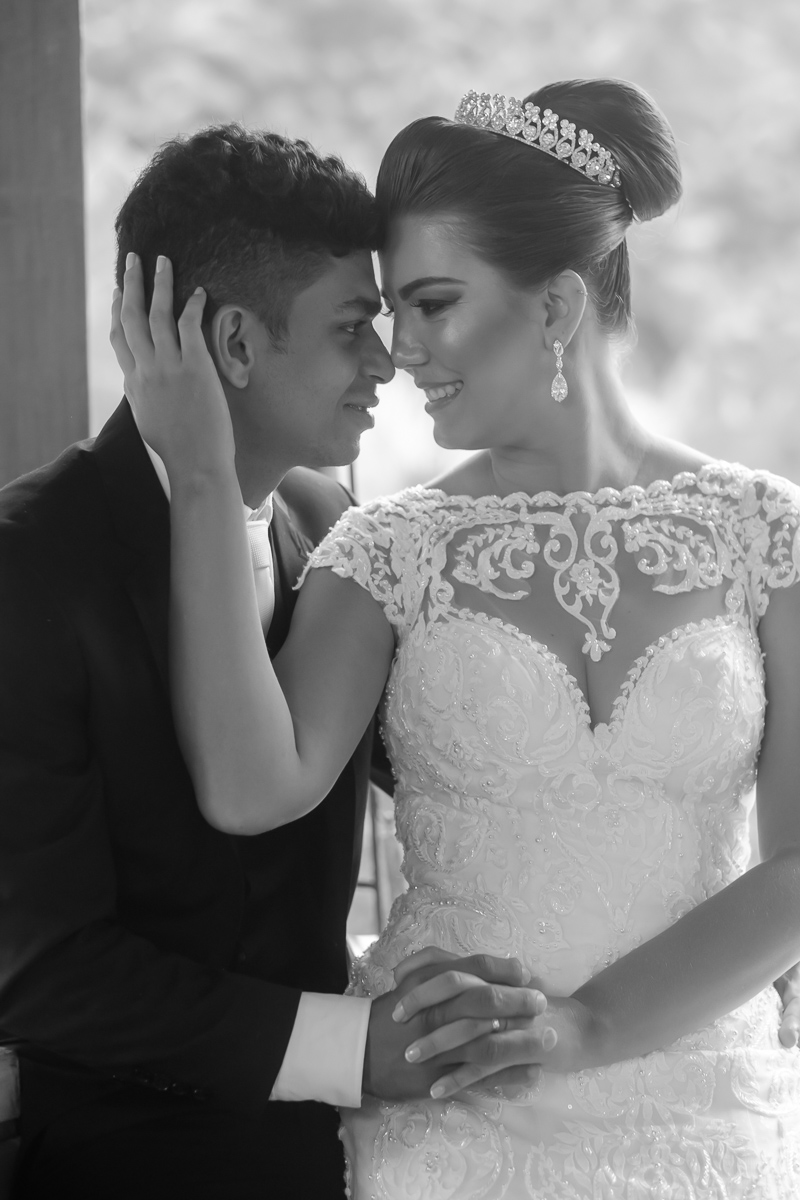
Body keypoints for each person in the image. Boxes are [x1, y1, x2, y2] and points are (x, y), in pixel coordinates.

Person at [113, 81, 800, 1198]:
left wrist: (582, 1028)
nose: (400, 353)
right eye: (389, 313)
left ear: (556, 305)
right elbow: (250, 789)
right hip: (454, 1114)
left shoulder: (764, 528)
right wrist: (198, 476)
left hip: (706, 1115)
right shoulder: (386, 549)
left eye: (432, 303)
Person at [0, 124, 551, 1200]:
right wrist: (352, 1048)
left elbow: (455, 760)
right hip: (125, 1167)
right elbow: (38, 967)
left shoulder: (327, 519)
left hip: (359, 1156)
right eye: (353, 328)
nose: (387, 361)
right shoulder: (25, 568)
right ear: (237, 347)